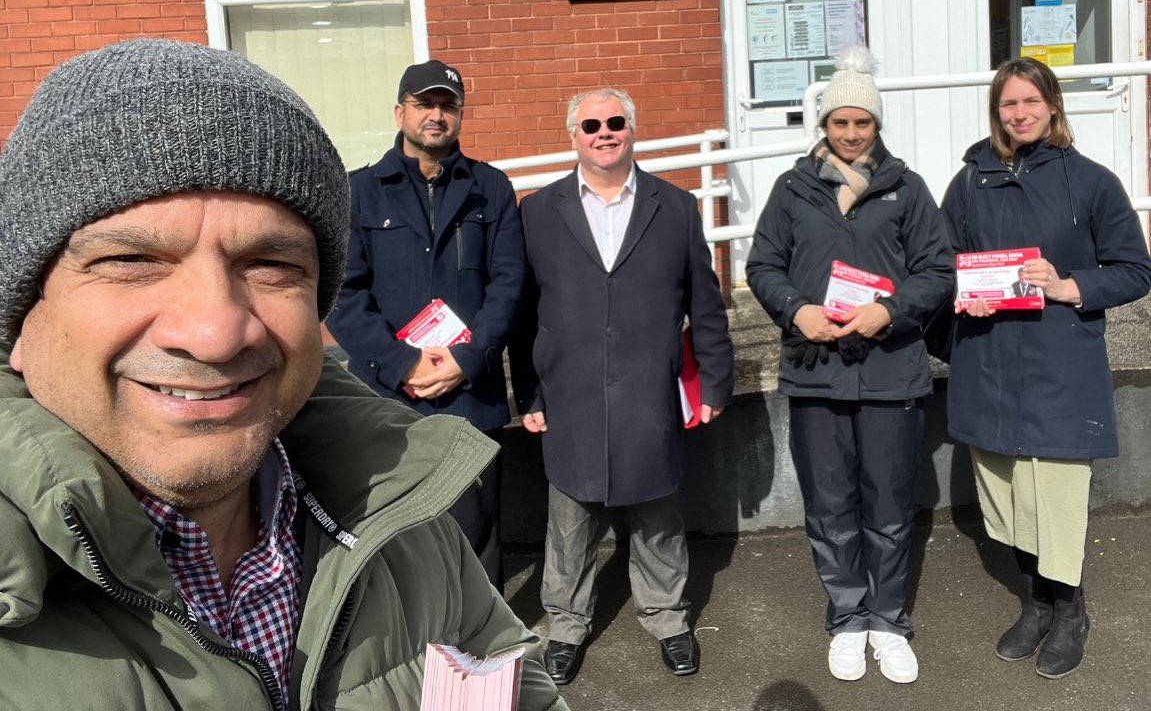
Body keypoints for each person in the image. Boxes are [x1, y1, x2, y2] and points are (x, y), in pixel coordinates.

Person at [0, 40, 566, 711]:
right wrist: (400, 361)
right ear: (22, 313)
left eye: (272, 264)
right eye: (130, 259)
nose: (215, 330)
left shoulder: (399, 519)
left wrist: (468, 360)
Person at [510, 87, 734, 685]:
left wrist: (714, 381)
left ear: (632, 129)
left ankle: (667, 617)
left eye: (615, 122)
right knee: (569, 519)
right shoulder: (537, 210)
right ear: (573, 134)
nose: (603, 133)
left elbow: (705, 306)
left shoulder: (676, 207)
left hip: (648, 388)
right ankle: (566, 624)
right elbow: (522, 313)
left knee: (657, 512)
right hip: (570, 390)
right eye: (591, 124)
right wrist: (528, 393)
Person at [746, 46, 953, 685]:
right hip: (815, 368)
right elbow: (762, 266)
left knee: (890, 504)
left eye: (862, 122)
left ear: (877, 126)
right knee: (830, 505)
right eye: (841, 122)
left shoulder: (907, 189)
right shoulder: (791, 189)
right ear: (825, 126)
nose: (852, 133)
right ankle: (846, 617)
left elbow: (937, 271)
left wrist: (888, 311)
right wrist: (795, 309)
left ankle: (888, 621)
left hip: (890, 369)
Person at [941, 56, 1151, 680]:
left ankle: (1070, 610)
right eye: (1009, 104)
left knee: (1056, 495)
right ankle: (1034, 605)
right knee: (1005, 495)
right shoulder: (967, 182)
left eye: (1031, 101)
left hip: (1059, 360)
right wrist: (960, 289)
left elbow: (1135, 270)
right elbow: (943, 261)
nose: (1020, 113)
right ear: (996, 111)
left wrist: (1067, 287)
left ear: (1053, 106)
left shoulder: (1090, 182)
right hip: (988, 358)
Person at [325, 60, 524, 590]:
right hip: (391, 396)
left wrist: (466, 358)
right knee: (396, 538)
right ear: (401, 111)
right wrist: (401, 363)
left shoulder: (491, 188)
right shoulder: (360, 192)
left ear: (459, 115)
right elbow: (343, 294)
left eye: (447, 105)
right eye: (424, 104)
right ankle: (413, 656)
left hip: (470, 393)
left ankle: (480, 659)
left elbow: (509, 284)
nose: (436, 115)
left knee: (475, 539)